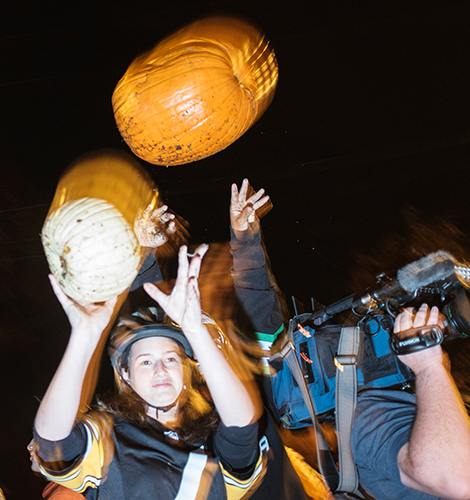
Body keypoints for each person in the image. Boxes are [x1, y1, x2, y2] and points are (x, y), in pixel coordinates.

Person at [229, 178, 470, 500]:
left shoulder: (385, 400)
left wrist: (245, 243)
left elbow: (265, 327)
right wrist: (429, 367)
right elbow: (456, 479)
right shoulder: (374, 414)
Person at [32, 243, 266, 500]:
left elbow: (242, 426)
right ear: (125, 376)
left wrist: (195, 329)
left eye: (171, 359)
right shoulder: (109, 437)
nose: (161, 370)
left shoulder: (209, 438)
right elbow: (53, 440)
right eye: (145, 362)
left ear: (187, 371)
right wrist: (83, 337)